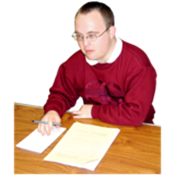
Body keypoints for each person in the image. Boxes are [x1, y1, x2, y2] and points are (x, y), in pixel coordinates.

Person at [37, 1, 157, 136]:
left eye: (92, 35)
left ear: (111, 31)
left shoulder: (138, 64)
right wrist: (53, 111)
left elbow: (135, 114)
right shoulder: (75, 62)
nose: (84, 44)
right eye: (79, 36)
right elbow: (60, 94)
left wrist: (94, 111)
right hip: (96, 126)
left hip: (138, 130)